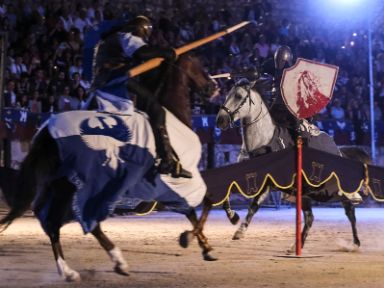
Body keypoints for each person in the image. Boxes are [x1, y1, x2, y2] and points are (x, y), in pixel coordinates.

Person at [91, 15, 192, 178]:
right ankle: (166, 160)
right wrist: (167, 52)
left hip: (105, 82)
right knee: (156, 110)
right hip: (116, 81)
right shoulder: (125, 36)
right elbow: (141, 53)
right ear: (141, 30)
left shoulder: (111, 39)